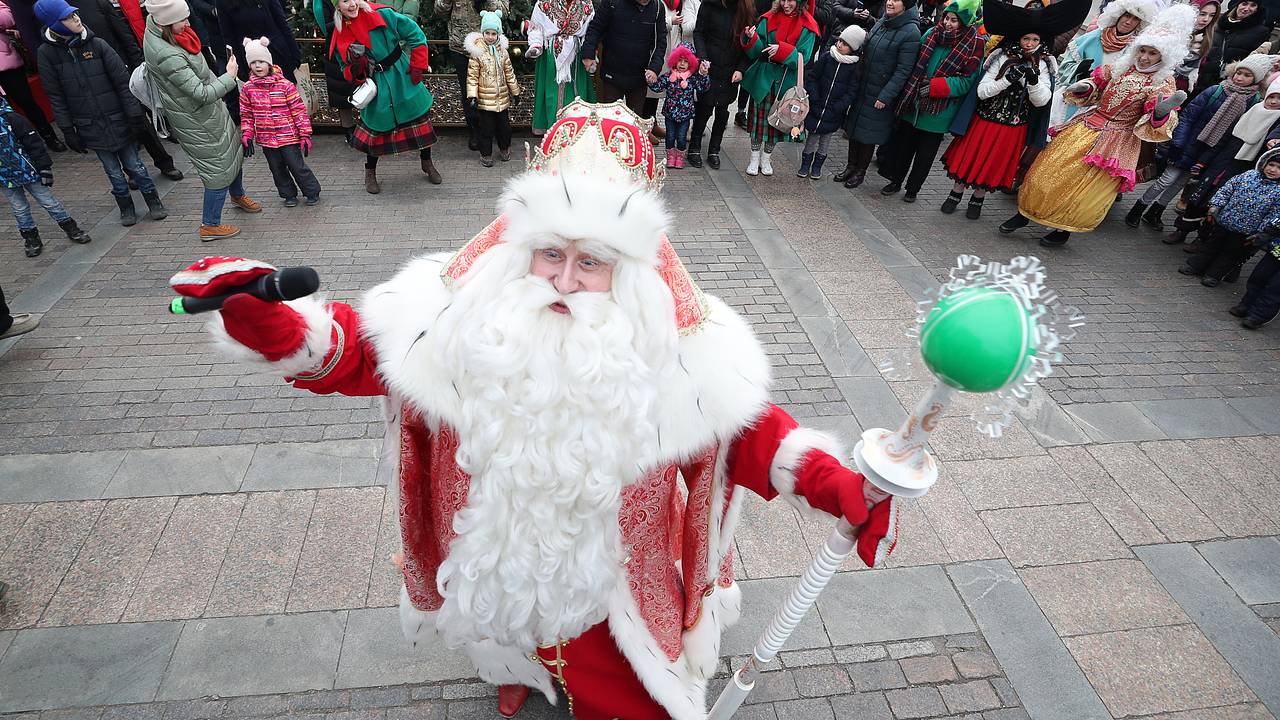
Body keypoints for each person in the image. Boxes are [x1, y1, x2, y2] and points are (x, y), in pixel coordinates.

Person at [173, 98, 899, 720]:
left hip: (609, 585)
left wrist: (840, 484)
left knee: (628, 699)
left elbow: (748, 433)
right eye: (550, 254)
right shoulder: (460, 314)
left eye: (591, 263)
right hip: (490, 557)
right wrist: (263, 319)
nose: (564, 280)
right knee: (505, 638)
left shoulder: (677, 348)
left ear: (633, 271)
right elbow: (357, 351)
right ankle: (522, 670)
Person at [1000, 3, 1195, 247]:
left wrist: (1161, 111)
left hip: (1116, 143)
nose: (1145, 57)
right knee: (1047, 170)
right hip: (1085, 127)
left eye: (1152, 53)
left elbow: (1158, 121)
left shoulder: (1162, 83)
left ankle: (1063, 230)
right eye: (1143, 50)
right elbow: (1096, 83)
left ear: (1164, 56)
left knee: (1083, 189)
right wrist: (1086, 87)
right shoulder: (1121, 67)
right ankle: (1024, 214)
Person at [35, 0, 167, 226]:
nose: (76, 18)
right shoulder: (46, 54)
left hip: (118, 118)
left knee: (136, 166)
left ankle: (153, 200)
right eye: (67, 17)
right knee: (113, 172)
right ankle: (126, 207)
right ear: (54, 24)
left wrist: (134, 115)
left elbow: (122, 83)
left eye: (75, 14)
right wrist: (68, 129)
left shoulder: (98, 45)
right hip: (90, 125)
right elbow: (56, 96)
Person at [143, 0, 261, 241]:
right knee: (217, 171)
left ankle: (237, 195)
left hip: (208, 114)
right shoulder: (167, 56)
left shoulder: (164, 31)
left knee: (232, 153)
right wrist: (228, 77)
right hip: (197, 119)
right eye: (182, 20)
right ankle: (210, 225)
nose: (188, 23)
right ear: (166, 21)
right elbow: (201, 93)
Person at [1125, 53, 1272, 232]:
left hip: (1209, 151)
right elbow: (1188, 116)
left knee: (1180, 184)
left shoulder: (1253, 101)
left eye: (1247, 75)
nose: (1240, 78)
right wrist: (1178, 143)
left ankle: (1156, 211)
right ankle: (1138, 208)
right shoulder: (1215, 90)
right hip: (1188, 144)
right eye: (1238, 73)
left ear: (1256, 79)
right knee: (1166, 180)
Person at [53, 0, 184, 180]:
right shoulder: (57, 13)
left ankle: (164, 162)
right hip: (91, 85)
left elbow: (124, 35)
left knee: (141, 120)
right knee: (112, 130)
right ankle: (132, 173)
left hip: (120, 72)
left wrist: (138, 65)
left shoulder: (98, 3)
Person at [329, 0, 441, 194]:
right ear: (338, 6)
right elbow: (343, 67)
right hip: (376, 84)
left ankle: (427, 162)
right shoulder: (340, 33)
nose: (352, 4)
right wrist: (356, 69)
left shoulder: (382, 14)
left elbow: (416, 34)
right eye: (345, 1)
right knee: (376, 129)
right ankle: (370, 171)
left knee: (419, 121)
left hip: (401, 76)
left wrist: (417, 64)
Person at [875, 0, 982, 203]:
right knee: (904, 148)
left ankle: (912, 189)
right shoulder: (932, 33)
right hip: (913, 102)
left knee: (925, 156)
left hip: (938, 111)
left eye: (954, 21)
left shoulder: (974, 43)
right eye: (947, 18)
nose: (948, 24)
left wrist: (936, 87)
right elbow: (914, 59)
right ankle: (895, 181)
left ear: (964, 24)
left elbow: (967, 80)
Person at [942, 30, 1055, 219]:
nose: (1029, 43)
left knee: (993, 162)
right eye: (1025, 38)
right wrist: (1007, 80)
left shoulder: (1044, 64)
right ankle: (956, 193)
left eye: (1035, 39)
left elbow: (1042, 101)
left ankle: (978, 198)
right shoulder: (1002, 56)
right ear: (1018, 38)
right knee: (970, 157)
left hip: (1014, 126)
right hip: (985, 120)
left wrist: (1033, 82)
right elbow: (982, 92)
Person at [1172, 77, 1280, 246]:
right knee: (1197, 196)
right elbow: (1224, 138)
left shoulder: (1277, 123)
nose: (1274, 102)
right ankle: (1182, 230)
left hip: (1241, 168)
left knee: (1217, 203)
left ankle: (1201, 239)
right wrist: (1204, 161)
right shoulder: (1252, 110)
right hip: (1219, 161)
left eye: (1279, 99)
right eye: (1272, 96)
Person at [834, 0, 920, 189]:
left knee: (868, 134)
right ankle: (850, 166)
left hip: (880, 91)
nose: (890, 2)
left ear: (905, 5)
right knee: (855, 128)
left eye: (896, 0)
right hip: (864, 85)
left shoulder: (911, 32)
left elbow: (903, 70)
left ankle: (860, 172)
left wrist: (886, 95)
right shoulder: (883, 20)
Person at [0, 96, 90, 257]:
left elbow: (34, 144)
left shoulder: (12, 119)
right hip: (5, 178)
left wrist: (44, 168)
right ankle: (31, 238)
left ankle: (71, 227)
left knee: (49, 202)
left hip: (29, 170)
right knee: (19, 208)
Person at [240, 37, 321, 206]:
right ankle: (288, 194)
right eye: (253, 62)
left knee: (297, 165)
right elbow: (246, 114)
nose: (257, 66)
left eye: (261, 61)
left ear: (269, 63)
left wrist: (305, 134)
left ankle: (311, 190)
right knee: (276, 168)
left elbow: (298, 110)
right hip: (267, 138)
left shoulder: (285, 85)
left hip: (288, 136)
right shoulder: (248, 88)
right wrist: (247, 133)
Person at [1180, 147, 1280, 285]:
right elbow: (1226, 189)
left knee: (1230, 254)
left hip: (1246, 231)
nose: (1273, 170)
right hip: (1224, 220)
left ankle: (1214, 275)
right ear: (1264, 164)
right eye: (1271, 165)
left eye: (1278, 168)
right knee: (1211, 244)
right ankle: (1195, 265)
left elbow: (1274, 214)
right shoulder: (1248, 175)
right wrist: (1216, 205)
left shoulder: (1278, 191)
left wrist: (1261, 232)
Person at [740, 0, 818, 176]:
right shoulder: (768, 18)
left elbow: (803, 58)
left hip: (786, 82)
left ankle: (766, 158)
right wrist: (751, 38)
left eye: (790, 0)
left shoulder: (808, 26)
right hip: (765, 77)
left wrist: (782, 51)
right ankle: (753, 157)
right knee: (757, 123)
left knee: (777, 122)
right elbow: (757, 51)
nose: (785, 4)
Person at [1052, 0, 1156, 126]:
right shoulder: (1092, 37)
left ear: (1140, 23)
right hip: (1070, 100)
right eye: (1127, 15)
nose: (1129, 22)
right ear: (1119, 15)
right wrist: (1079, 71)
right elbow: (1063, 69)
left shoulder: (1136, 50)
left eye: (1135, 19)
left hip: (1099, 110)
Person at [436, 0, 508, 151]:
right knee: (468, 92)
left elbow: (504, 11)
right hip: (460, 48)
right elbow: (439, 11)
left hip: (489, 47)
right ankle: (475, 132)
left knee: (491, 87)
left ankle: (491, 131)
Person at [687, 0, 750, 168]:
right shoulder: (709, 5)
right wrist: (702, 57)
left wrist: (741, 69)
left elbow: (748, 46)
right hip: (709, 67)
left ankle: (714, 150)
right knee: (704, 108)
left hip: (730, 70)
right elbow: (699, 33)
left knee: (722, 111)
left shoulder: (744, 9)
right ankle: (694, 147)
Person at [580, 0, 668, 117]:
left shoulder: (657, 7)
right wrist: (588, 53)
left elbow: (660, 42)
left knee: (635, 120)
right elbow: (596, 28)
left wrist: (654, 68)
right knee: (610, 118)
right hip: (612, 74)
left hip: (639, 77)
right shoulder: (612, 2)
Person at [797, 23, 863, 178]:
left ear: (853, 48)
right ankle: (805, 165)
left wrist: (839, 106)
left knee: (825, 142)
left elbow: (851, 91)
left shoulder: (854, 67)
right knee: (811, 139)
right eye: (840, 41)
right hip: (817, 106)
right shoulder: (827, 57)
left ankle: (817, 167)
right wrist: (814, 96)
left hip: (833, 112)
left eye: (845, 44)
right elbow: (813, 77)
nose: (840, 45)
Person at [0, 0, 65, 150]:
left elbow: (9, 16)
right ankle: (16, 148)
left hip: (8, 66)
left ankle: (49, 136)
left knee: (27, 102)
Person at [524, 0, 596, 135]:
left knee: (576, 94)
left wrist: (590, 54)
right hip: (550, 56)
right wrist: (535, 44)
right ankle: (552, 132)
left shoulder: (586, 4)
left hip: (576, 57)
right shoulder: (543, 3)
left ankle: (576, 132)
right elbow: (536, 27)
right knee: (551, 95)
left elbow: (591, 31)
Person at [466, 9, 521, 166]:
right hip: (484, 101)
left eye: (493, 33)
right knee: (486, 130)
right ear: (483, 33)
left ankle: (505, 148)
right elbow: (472, 76)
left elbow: (509, 73)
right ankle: (486, 154)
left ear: (498, 34)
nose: (490, 37)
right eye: (487, 33)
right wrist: (473, 96)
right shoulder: (477, 53)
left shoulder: (503, 52)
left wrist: (515, 92)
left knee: (504, 128)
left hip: (501, 99)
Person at [647, 42, 709, 167]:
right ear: (674, 60)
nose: (682, 64)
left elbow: (703, 87)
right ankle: (670, 156)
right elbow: (658, 87)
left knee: (681, 137)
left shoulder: (692, 79)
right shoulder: (668, 77)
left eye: (685, 61)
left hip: (685, 115)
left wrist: (703, 75)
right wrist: (650, 80)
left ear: (691, 63)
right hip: (670, 114)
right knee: (670, 136)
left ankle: (679, 157)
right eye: (679, 60)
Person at [1197, 0, 1269, 97]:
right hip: (1202, 76)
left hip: (1230, 83)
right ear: (1237, 4)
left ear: (1257, 9)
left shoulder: (1261, 32)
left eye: (1253, 5)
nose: (1247, 8)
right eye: (1244, 3)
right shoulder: (1218, 22)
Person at [217, 0, 302, 82]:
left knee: (288, 93)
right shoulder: (224, 2)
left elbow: (282, 24)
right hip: (250, 61)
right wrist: (240, 70)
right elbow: (228, 37)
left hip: (278, 55)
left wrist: (295, 55)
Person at [312, 0, 358, 145]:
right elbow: (326, 27)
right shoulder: (321, 3)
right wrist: (346, 19)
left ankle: (368, 128)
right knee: (341, 94)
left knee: (366, 89)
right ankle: (349, 131)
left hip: (359, 47)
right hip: (336, 50)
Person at [1232, 211, 1280, 328]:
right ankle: (1246, 304)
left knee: (1275, 288)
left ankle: (1259, 315)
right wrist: (1265, 234)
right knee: (1259, 277)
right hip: (1276, 251)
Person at [1176, 0, 1220, 93]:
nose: (1206, 19)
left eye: (1212, 15)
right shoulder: (1176, 34)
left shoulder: (1206, 38)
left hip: (1185, 89)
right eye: (1202, 14)